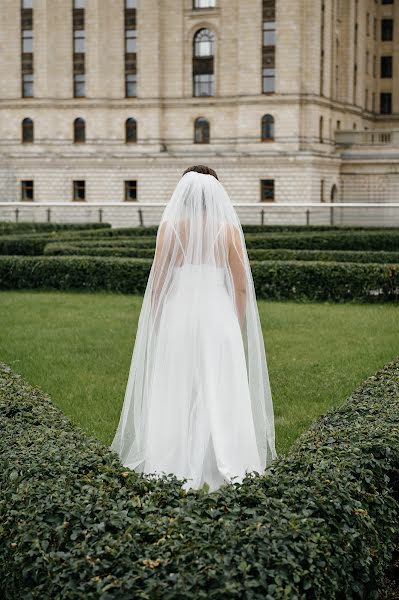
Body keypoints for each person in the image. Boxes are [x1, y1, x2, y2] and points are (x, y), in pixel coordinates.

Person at [110, 165, 277, 492]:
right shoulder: (228, 230)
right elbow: (241, 287)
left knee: (179, 384)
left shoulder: (170, 228)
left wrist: (157, 323)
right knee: (219, 384)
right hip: (217, 314)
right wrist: (236, 323)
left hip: (178, 313)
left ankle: (173, 459)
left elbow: (157, 285)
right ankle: (222, 460)